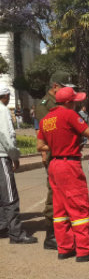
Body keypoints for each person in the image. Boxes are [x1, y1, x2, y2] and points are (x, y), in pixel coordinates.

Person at [36, 86, 89, 261]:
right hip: (69, 164)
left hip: (54, 164)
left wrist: (57, 145)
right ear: (68, 102)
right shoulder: (69, 115)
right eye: (74, 101)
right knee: (79, 207)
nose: (76, 104)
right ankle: (85, 250)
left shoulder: (46, 120)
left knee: (60, 209)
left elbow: (40, 146)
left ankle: (65, 248)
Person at [35, 71, 75, 250]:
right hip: (54, 156)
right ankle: (50, 235)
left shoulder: (58, 103)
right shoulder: (44, 105)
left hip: (64, 155)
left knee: (65, 195)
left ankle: (63, 232)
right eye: (65, 87)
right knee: (54, 195)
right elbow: (46, 133)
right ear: (55, 87)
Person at [0, 87, 37, 244]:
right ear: (6, 96)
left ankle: (2, 227)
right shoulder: (2, 111)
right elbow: (5, 135)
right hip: (2, 157)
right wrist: (14, 156)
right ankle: (16, 233)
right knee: (10, 197)